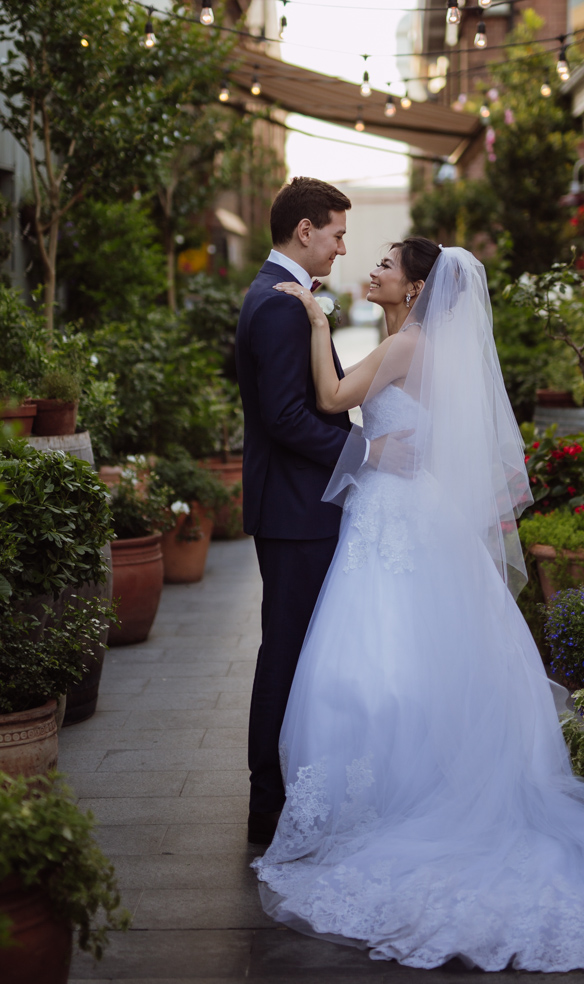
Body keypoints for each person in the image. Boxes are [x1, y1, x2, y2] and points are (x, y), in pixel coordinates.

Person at [252, 239, 584, 973]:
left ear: (416, 288)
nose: (373, 269)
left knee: (372, 658)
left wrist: (320, 328)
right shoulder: (422, 345)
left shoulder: (404, 347)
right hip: (413, 510)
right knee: (417, 654)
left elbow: (328, 400)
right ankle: (403, 789)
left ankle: (385, 805)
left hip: (391, 515)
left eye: (387, 265)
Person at [236, 177, 368, 846]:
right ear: (305, 231)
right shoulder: (280, 305)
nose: (344, 247)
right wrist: (363, 455)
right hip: (294, 510)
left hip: (295, 504)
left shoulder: (284, 297)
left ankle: (284, 789)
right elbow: (287, 418)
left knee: (295, 650)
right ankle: (267, 802)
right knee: (285, 653)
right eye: (338, 234)